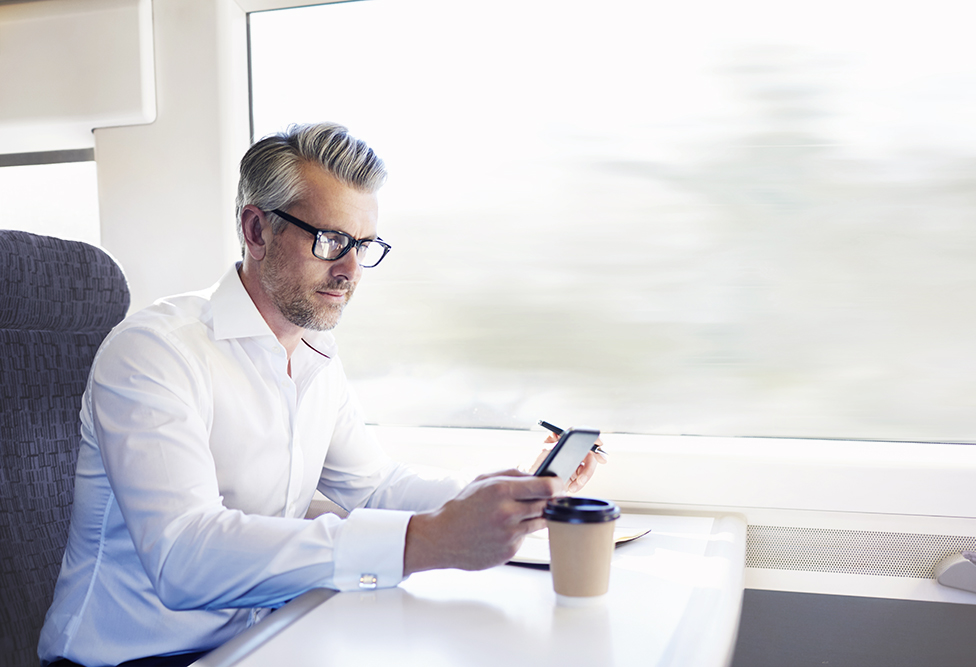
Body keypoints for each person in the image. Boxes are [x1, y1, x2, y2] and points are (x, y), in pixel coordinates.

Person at [38, 123, 603, 667]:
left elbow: (373, 485)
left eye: (364, 244)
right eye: (332, 240)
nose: (351, 270)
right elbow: (184, 555)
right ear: (257, 231)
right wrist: (426, 541)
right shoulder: (154, 353)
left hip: (266, 637)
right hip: (137, 658)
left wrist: (498, 497)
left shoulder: (315, 354)